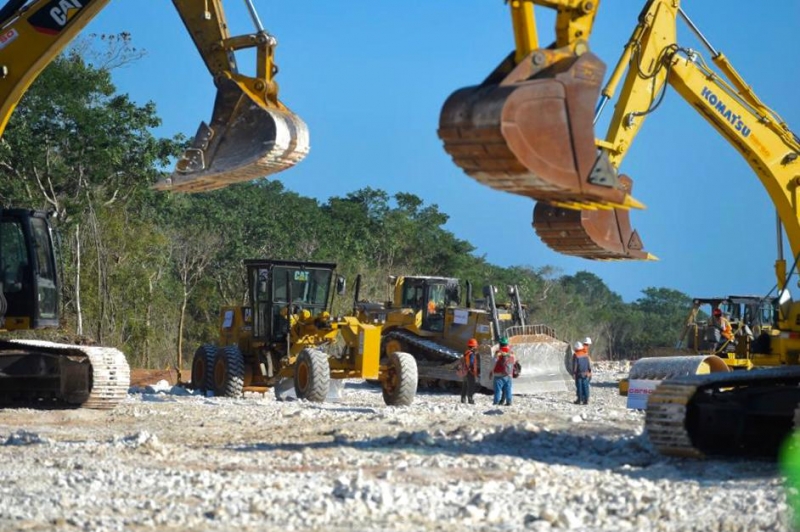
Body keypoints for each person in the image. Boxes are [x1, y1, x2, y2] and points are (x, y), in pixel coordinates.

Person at [491, 337, 515, 406]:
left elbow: (494, 362)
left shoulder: (498, 352)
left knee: (498, 390)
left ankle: (496, 402)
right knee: (508, 389)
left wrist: (492, 371)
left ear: (500, 344)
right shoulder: (511, 352)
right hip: (508, 374)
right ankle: (509, 402)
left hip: (499, 375)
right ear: (507, 344)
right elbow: (514, 362)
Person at [460, 338, 480, 404]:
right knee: (471, 386)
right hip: (470, 372)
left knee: (465, 385)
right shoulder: (472, 354)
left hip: (465, 371)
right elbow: (471, 363)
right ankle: (470, 399)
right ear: (473, 346)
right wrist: (474, 371)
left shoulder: (467, 352)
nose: (476, 347)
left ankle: (463, 399)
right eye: (476, 346)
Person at [572, 340, 592, 405]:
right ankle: (586, 400)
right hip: (586, 373)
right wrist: (589, 371)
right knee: (585, 387)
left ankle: (579, 400)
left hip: (579, 374)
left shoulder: (576, 355)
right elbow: (588, 364)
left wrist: (574, 373)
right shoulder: (585, 354)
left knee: (579, 387)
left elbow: (575, 365)